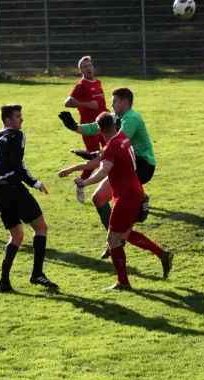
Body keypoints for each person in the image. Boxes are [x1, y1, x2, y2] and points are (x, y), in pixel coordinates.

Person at [58, 112, 173, 291]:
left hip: (125, 197)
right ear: (115, 125)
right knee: (125, 234)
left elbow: (103, 171)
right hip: (135, 191)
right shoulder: (123, 137)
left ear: (98, 129)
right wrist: (74, 168)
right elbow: (99, 161)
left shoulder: (112, 146)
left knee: (113, 240)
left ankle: (123, 283)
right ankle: (163, 254)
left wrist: (84, 182)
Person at [59, 87, 154, 258]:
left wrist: (93, 156)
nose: (111, 103)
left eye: (114, 100)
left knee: (123, 228)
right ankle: (117, 241)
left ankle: (117, 240)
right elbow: (99, 127)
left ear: (124, 102)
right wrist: (75, 127)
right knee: (99, 199)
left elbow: (116, 144)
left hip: (141, 165)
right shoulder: (117, 117)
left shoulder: (131, 118)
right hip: (125, 163)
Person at [0, 104, 58, 292]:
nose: (22, 120)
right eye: (18, 116)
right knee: (41, 227)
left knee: (16, 235)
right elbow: (18, 165)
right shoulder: (17, 135)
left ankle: (3, 281)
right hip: (14, 190)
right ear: (8, 119)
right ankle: (37, 274)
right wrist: (34, 182)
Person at [64, 55, 109, 203]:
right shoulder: (81, 85)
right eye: (85, 66)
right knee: (94, 160)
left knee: (110, 154)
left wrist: (106, 111)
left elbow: (100, 104)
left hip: (104, 126)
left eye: (90, 65)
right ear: (80, 70)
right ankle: (80, 184)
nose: (89, 68)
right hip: (89, 128)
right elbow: (68, 102)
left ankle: (113, 187)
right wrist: (87, 105)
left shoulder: (97, 82)